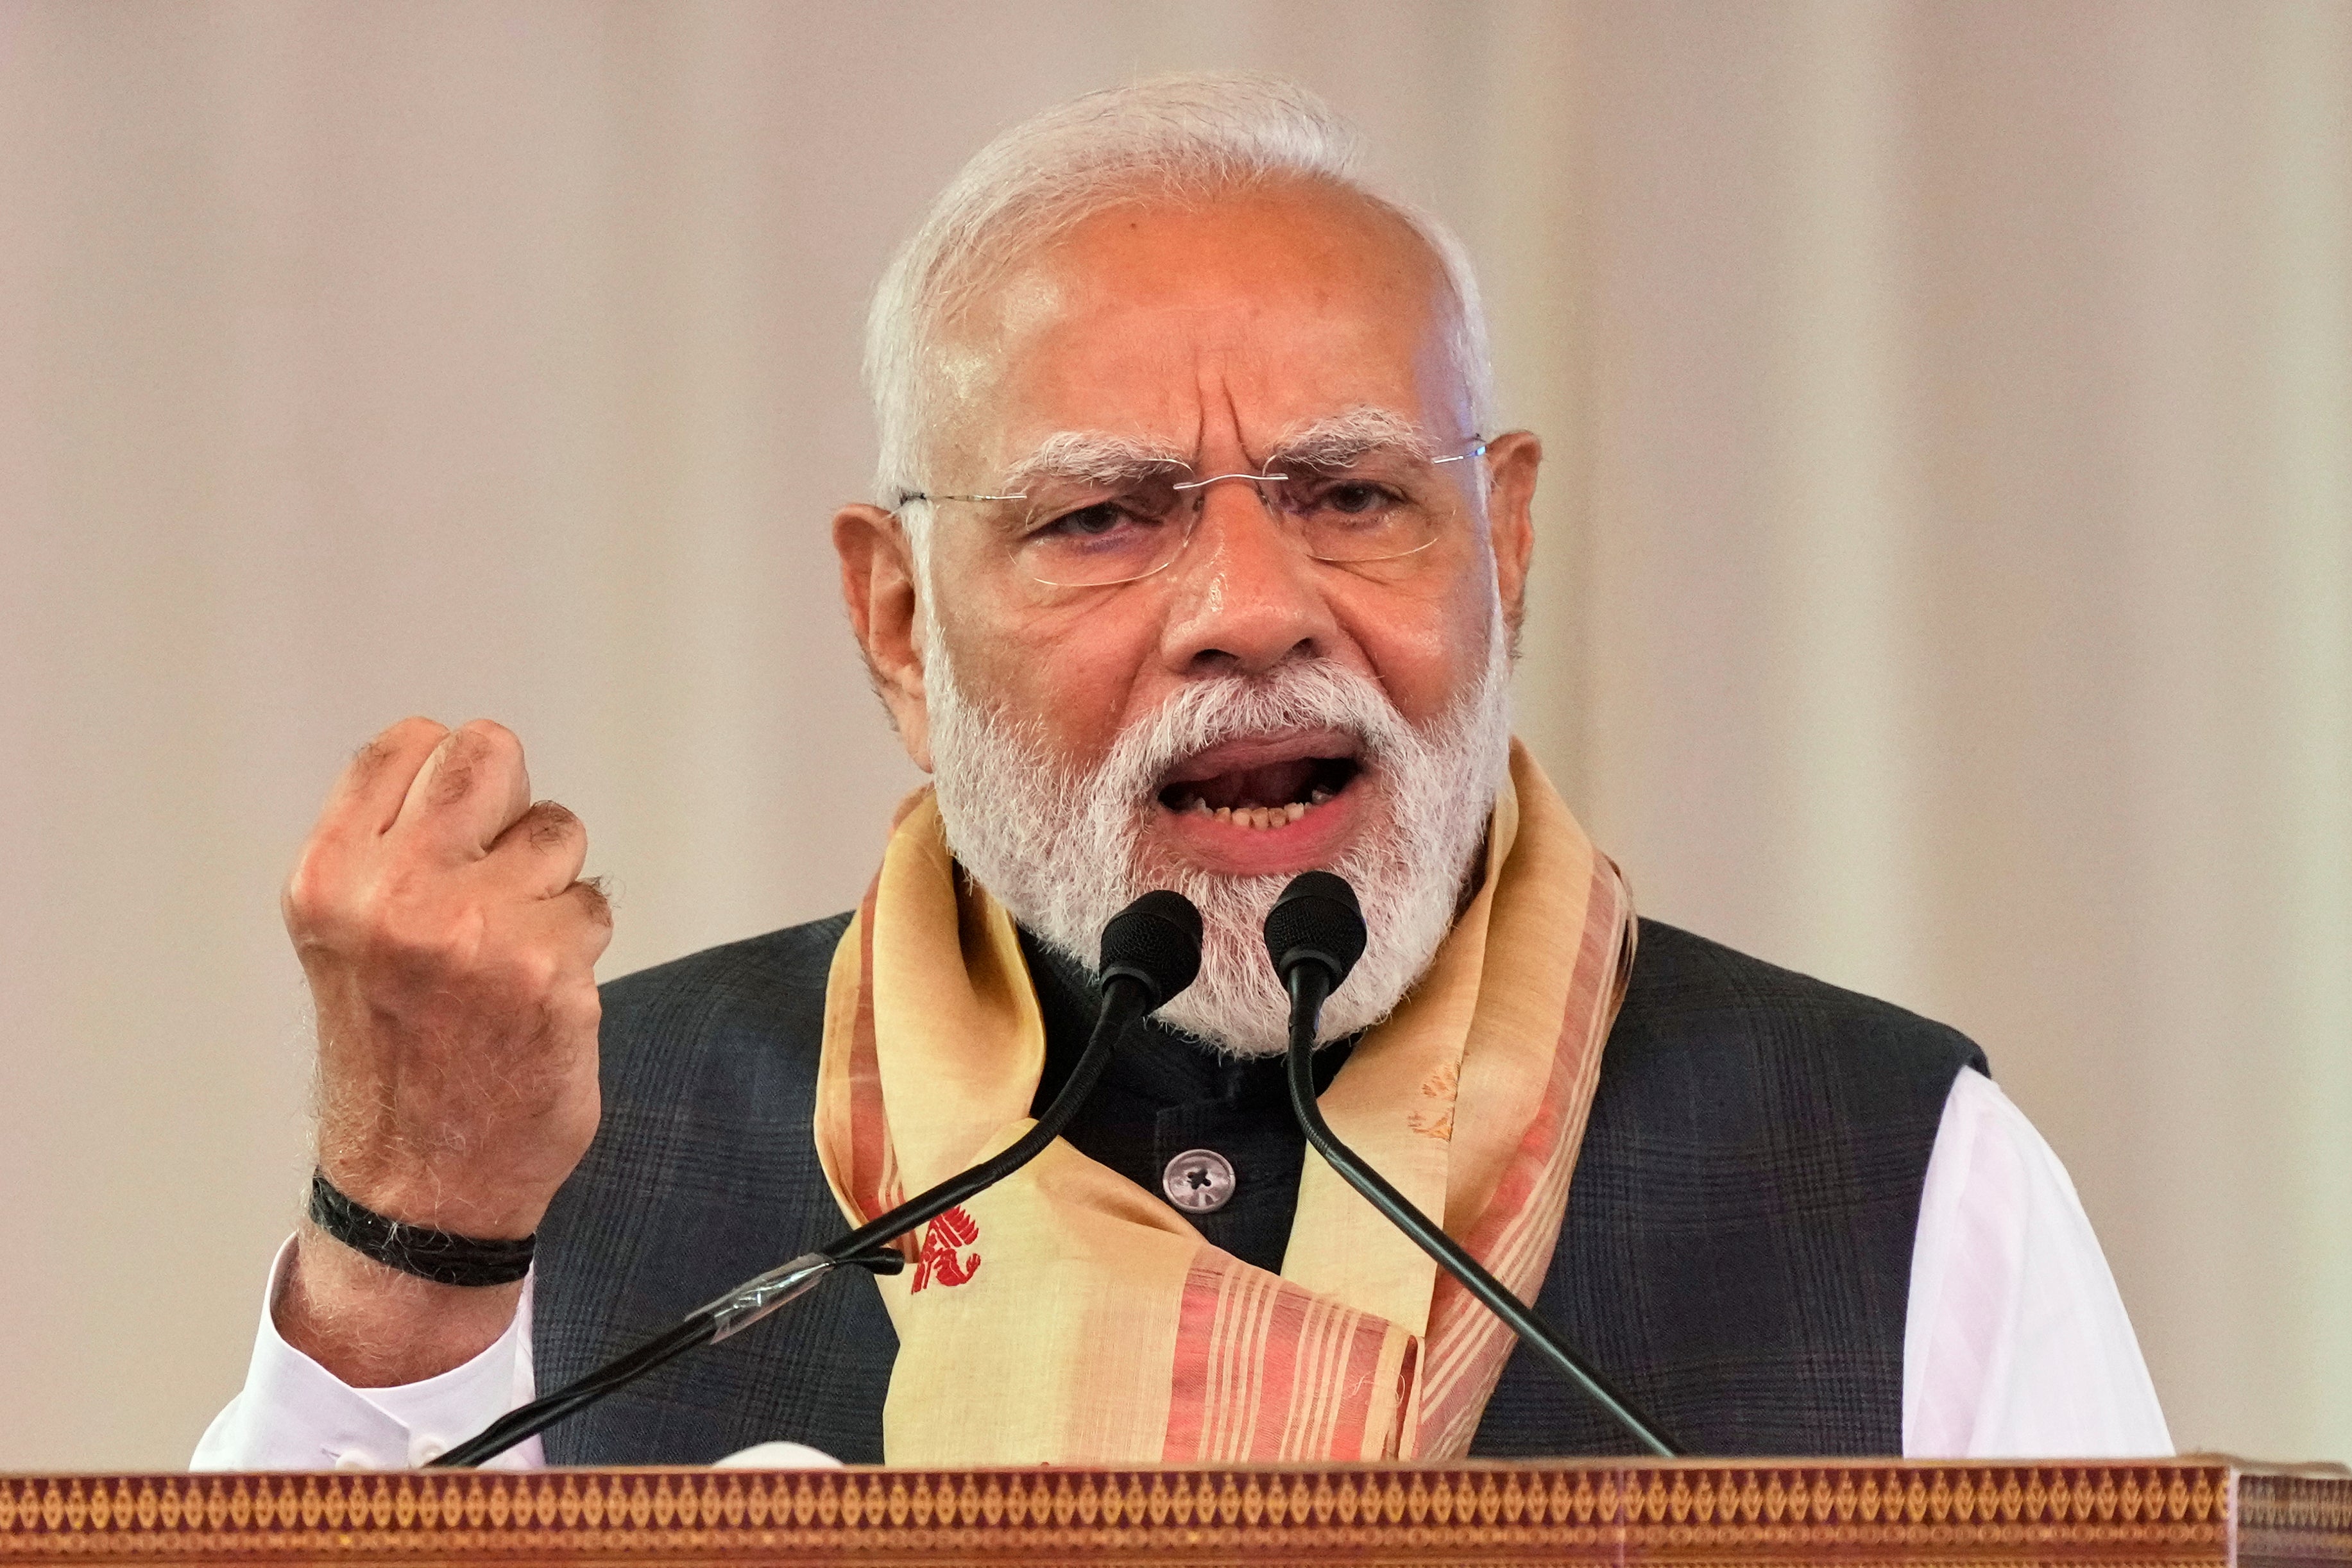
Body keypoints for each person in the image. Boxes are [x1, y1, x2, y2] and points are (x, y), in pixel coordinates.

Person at [196, 73, 2168, 1470]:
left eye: (1348, 493)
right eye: (1104, 517)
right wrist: (415, 1238)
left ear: (1506, 546)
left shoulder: (1899, 1170)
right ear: (896, 620)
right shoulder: (567, 1164)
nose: (1249, 604)